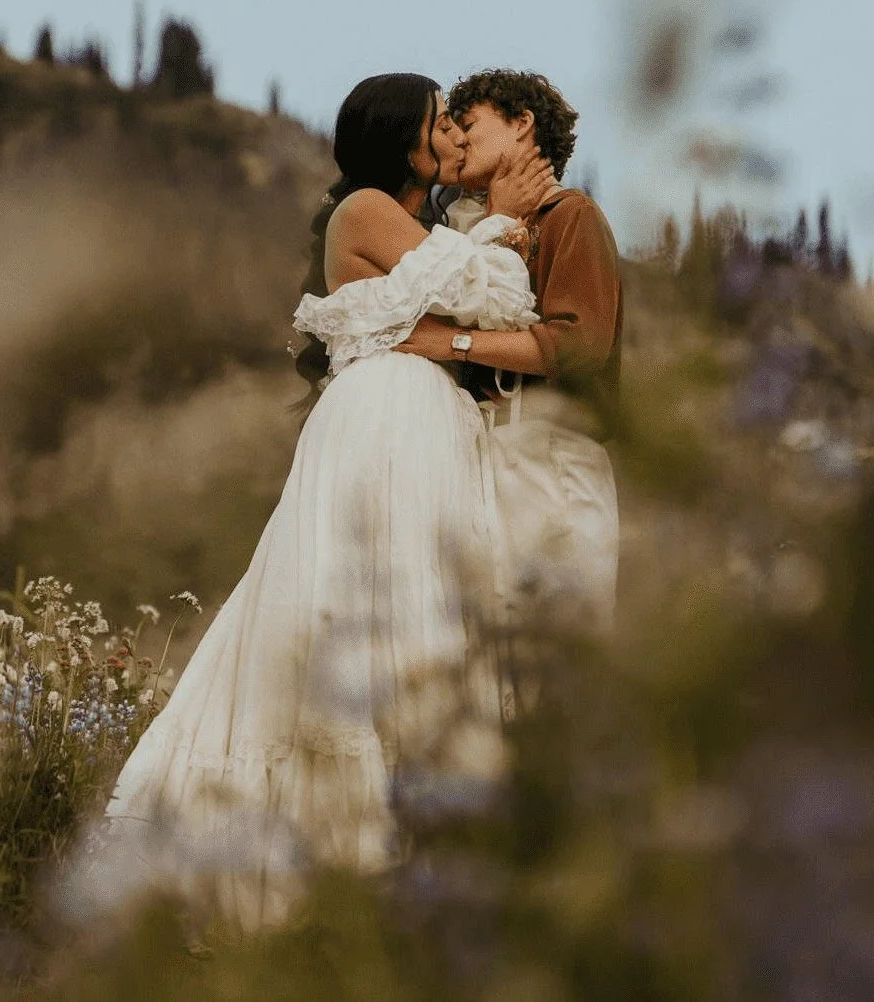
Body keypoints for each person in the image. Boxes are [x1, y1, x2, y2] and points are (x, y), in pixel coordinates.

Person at [95, 74, 547, 929]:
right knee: (354, 598)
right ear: (402, 142)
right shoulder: (366, 208)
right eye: (437, 123)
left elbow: (477, 296)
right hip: (381, 421)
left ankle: (420, 849)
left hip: (426, 423)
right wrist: (498, 224)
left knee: (424, 606)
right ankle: (325, 855)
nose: (451, 134)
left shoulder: (420, 222)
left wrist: (478, 235)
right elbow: (493, 293)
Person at [395, 69, 621, 634]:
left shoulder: (572, 216)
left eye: (469, 124)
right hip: (482, 459)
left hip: (553, 462)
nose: (458, 139)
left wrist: (451, 343)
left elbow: (579, 345)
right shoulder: (456, 229)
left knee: (558, 652)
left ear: (523, 125)